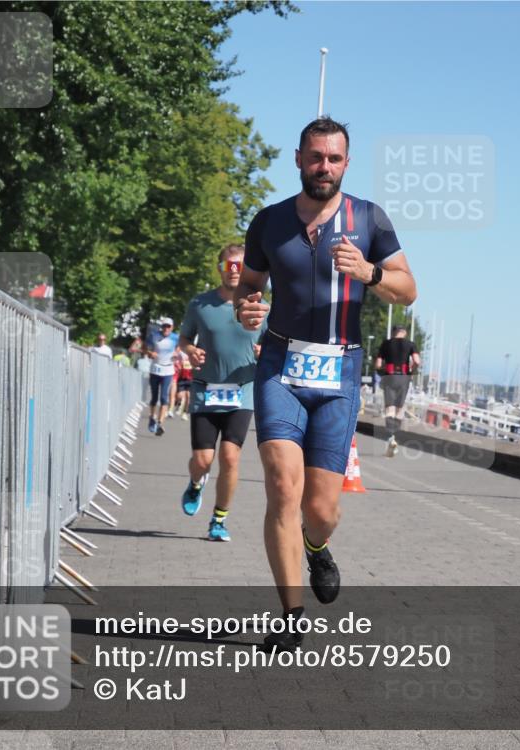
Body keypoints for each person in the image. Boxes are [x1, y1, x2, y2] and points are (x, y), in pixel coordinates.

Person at [236, 117, 417, 652]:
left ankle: (318, 546)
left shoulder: (370, 220)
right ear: (298, 159)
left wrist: (369, 273)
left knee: (322, 508)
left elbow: (408, 291)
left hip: (339, 372)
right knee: (281, 486)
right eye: (315, 157)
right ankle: (290, 617)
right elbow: (249, 286)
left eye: (334, 159)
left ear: (346, 162)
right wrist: (248, 308)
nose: (324, 167)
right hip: (279, 366)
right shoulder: (268, 222)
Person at [178, 244, 260, 542]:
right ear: (220, 269)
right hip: (205, 391)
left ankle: (219, 520)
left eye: (240, 265)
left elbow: (276, 344)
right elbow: (185, 336)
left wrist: (267, 351)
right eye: (229, 265)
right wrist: (189, 350)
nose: (235, 270)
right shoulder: (200, 304)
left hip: (243, 392)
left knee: (230, 456)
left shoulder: (259, 306)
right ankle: (196, 482)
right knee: (202, 460)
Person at [374, 325, 420, 457]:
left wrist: (381, 371)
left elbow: (378, 364)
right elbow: (417, 361)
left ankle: (390, 437)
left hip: (389, 376)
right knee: (400, 409)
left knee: (390, 409)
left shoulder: (386, 344)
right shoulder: (411, 344)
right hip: (404, 377)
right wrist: (412, 370)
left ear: (393, 332)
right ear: (404, 333)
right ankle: (396, 437)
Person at [145, 317, 178, 435]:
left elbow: (179, 349)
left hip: (168, 370)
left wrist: (176, 354)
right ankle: (152, 417)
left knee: (164, 397)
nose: (166, 329)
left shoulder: (175, 338)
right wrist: (150, 353)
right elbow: (146, 349)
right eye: (164, 326)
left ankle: (160, 423)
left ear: (172, 327)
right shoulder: (153, 335)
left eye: (168, 326)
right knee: (154, 397)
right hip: (155, 369)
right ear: (161, 327)